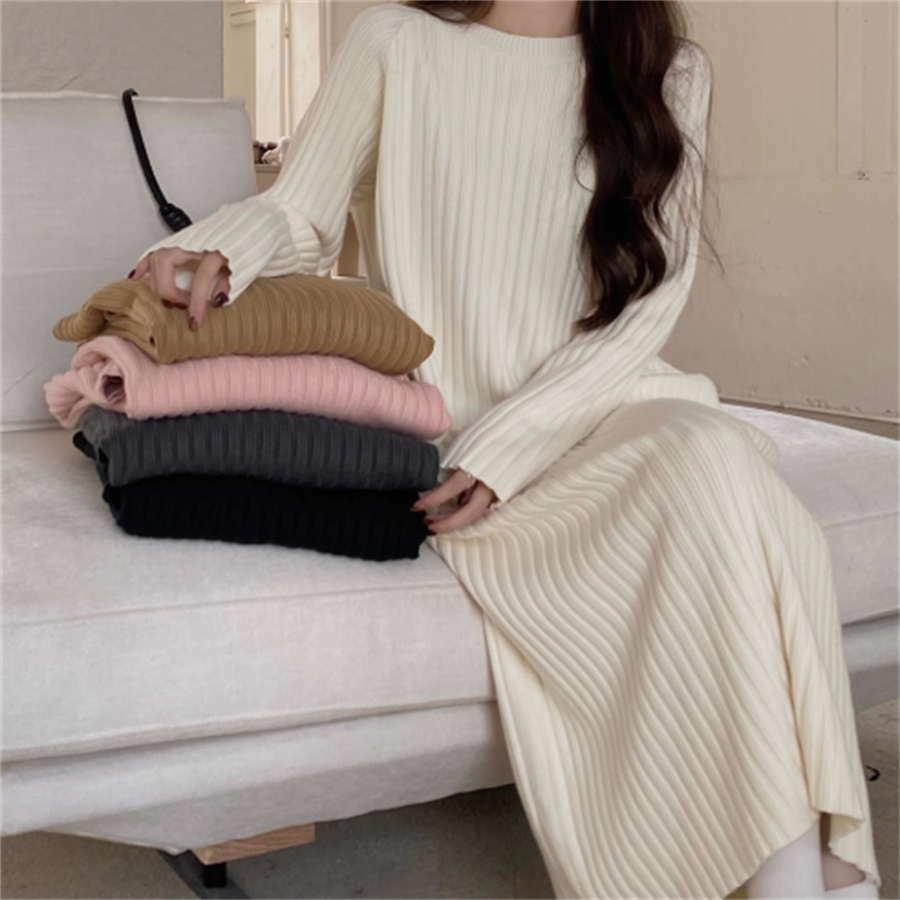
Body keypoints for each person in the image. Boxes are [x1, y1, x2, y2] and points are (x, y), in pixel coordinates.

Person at [130, 2, 881, 897]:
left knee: (718, 464)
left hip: (603, 410)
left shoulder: (672, 72)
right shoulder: (396, 41)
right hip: (459, 443)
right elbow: (302, 213)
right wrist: (216, 250)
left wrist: (514, 443)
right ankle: (818, 880)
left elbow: (648, 306)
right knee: (741, 510)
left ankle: (810, 880)